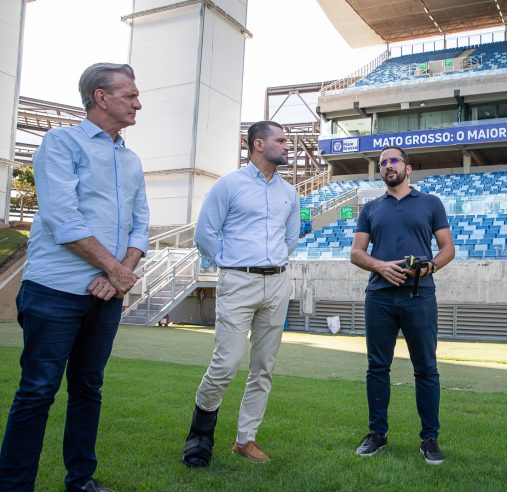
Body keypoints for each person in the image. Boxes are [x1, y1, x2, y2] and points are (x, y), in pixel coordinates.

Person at [0, 63, 149, 492]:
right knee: (37, 391)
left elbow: (141, 223)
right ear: (101, 97)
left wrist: (120, 274)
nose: (138, 102)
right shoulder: (60, 143)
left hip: (106, 293)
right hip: (54, 290)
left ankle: (80, 480)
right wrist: (116, 269)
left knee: (89, 389)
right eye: (129, 95)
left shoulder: (132, 159)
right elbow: (63, 219)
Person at [181, 120, 298, 467]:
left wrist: (273, 264)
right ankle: (199, 436)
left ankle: (246, 439)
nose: (287, 145)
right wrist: (228, 264)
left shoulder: (289, 193)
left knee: (264, 367)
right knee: (226, 364)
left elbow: (289, 239)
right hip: (238, 282)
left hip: (278, 282)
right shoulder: (228, 185)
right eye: (281, 140)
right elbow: (205, 233)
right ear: (259, 144)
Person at [350, 146, 455, 465]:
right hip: (379, 296)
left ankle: (429, 438)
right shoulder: (370, 208)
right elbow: (357, 253)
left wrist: (430, 267)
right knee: (377, 367)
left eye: (393, 161)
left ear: (408, 168)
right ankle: (377, 434)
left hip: (419, 295)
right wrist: (380, 266)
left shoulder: (430, 203)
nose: (387, 166)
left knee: (426, 368)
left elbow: (448, 248)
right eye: (382, 163)